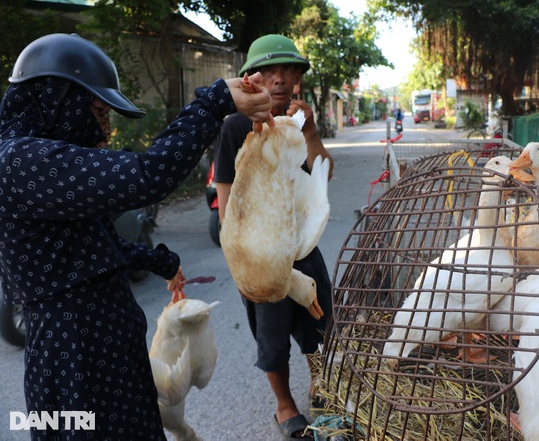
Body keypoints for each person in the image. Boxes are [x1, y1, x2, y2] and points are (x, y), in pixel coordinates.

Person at [0, 33, 272, 440]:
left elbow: (88, 247)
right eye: (98, 111)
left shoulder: (42, 162)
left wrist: (161, 261)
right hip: (74, 354)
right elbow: (147, 176)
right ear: (59, 100)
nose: (105, 130)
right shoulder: (19, 161)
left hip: (105, 348)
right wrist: (214, 102)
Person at [213, 34, 334, 440]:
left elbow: (323, 175)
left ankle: (323, 387)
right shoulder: (233, 127)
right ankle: (284, 405)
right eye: (270, 72)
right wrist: (241, 265)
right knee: (272, 337)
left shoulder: (298, 123)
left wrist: (312, 132)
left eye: (288, 71)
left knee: (321, 323)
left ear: (297, 78)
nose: (280, 80)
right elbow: (228, 203)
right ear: (251, 79)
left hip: (303, 247)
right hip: (261, 257)